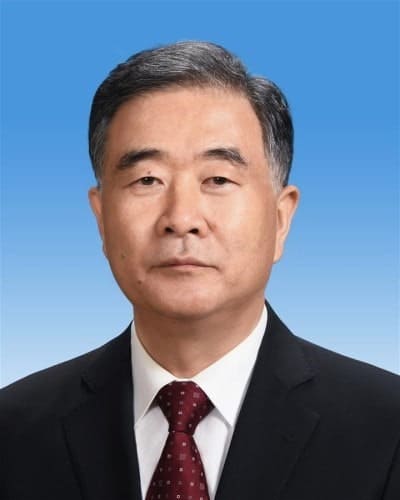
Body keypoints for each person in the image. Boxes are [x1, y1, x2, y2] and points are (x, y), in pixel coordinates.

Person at [1, 41, 399, 500]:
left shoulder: (387, 430)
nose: (182, 217)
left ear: (280, 218)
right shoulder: (14, 431)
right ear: (102, 218)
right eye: (147, 180)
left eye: (218, 179)